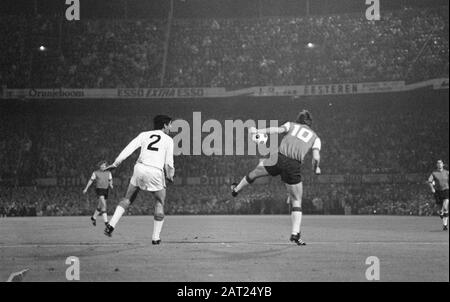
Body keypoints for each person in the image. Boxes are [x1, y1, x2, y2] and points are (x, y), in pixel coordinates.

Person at [231, 109, 321, 245]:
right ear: (310, 123)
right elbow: (315, 157)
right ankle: (295, 233)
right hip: (293, 164)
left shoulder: (291, 125)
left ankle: (236, 189)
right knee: (296, 200)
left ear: (299, 120)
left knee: (256, 172)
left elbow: (276, 130)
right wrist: (316, 166)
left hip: (278, 158)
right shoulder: (315, 138)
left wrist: (259, 131)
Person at [104, 115, 175, 245]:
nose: (171, 127)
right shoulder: (168, 140)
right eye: (170, 124)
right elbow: (169, 163)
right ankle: (155, 238)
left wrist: (115, 164)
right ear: (165, 125)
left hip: (140, 168)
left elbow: (128, 149)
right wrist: (170, 175)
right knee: (159, 202)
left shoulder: (144, 135)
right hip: (155, 171)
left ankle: (111, 225)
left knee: (127, 198)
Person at [83, 160, 113, 226]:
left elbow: (110, 180)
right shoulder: (95, 172)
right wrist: (86, 188)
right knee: (104, 205)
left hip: (106, 190)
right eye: (102, 165)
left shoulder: (108, 172)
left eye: (105, 165)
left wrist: (111, 184)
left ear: (106, 166)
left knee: (100, 206)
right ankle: (106, 222)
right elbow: (90, 181)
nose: (103, 166)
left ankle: (93, 218)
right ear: (99, 166)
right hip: (99, 189)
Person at [427, 160, 449, 231]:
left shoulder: (447, 172)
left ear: (443, 164)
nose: (439, 164)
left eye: (441, 163)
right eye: (438, 163)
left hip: (446, 190)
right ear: (437, 165)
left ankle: (445, 225)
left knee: (445, 207)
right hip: (438, 192)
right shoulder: (434, 173)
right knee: (440, 210)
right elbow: (429, 181)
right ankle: (441, 213)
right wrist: (432, 188)